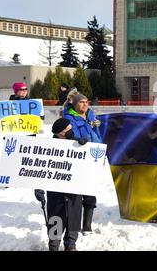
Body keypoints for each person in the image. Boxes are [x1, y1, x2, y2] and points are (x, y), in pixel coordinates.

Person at [34, 118, 84, 251]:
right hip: (56, 191)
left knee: (73, 217)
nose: (71, 131)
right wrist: (38, 187)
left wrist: (86, 145)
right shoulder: (49, 148)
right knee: (56, 217)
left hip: (74, 190)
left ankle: (71, 245)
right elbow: (40, 168)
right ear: (60, 134)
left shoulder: (77, 144)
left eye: (71, 128)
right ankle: (54, 246)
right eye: (67, 130)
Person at [63, 92, 102, 235]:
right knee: (77, 191)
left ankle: (87, 225)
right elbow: (72, 134)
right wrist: (81, 137)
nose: (85, 104)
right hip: (78, 156)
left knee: (91, 189)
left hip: (94, 154)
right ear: (75, 104)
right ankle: (73, 225)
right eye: (81, 102)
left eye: (87, 102)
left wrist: (98, 128)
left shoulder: (91, 114)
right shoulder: (69, 117)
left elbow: (97, 134)